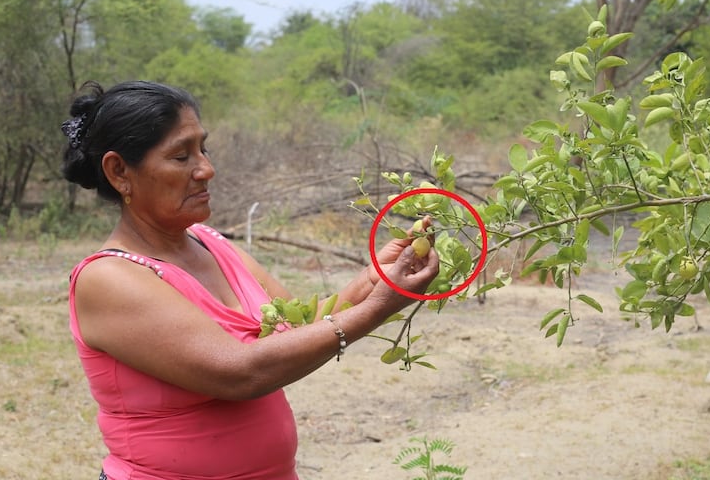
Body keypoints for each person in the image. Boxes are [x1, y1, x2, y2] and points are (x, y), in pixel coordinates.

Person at [60, 80, 439, 480]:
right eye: (180, 156)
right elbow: (240, 372)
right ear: (120, 171)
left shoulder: (210, 244)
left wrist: (376, 278)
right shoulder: (108, 278)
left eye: (203, 149)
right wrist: (380, 307)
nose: (206, 169)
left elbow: (299, 328)